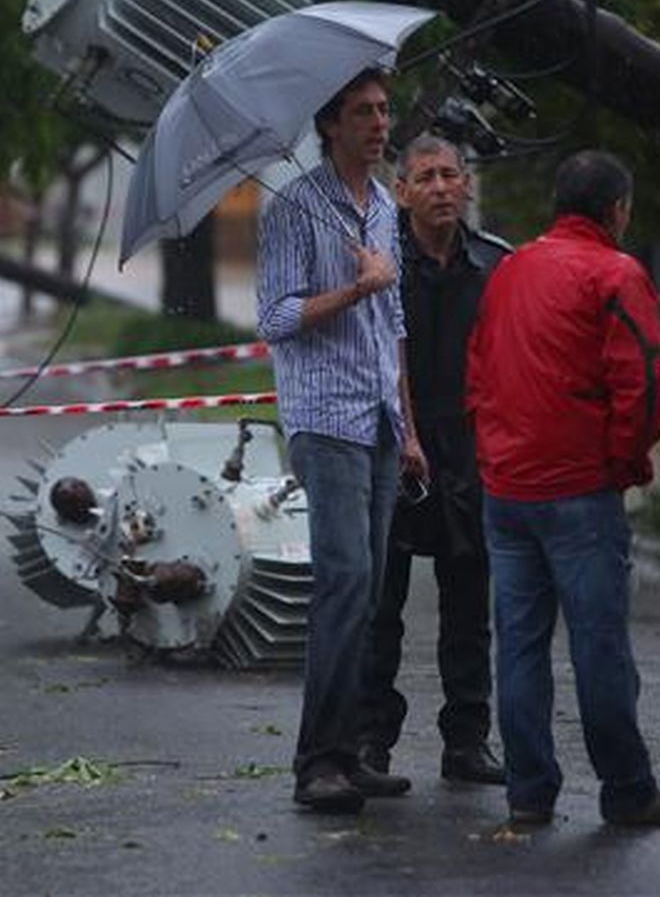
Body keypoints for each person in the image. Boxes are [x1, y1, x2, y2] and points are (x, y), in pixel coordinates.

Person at [467, 149, 660, 827]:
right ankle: (627, 788)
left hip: (507, 487)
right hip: (578, 487)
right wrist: (627, 464)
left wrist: (493, 454)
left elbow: (478, 369)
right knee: (599, 644)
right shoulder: (617, 273)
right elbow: (643, 385)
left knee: (519, 645)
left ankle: (529, 791)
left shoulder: (509, 269)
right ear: (617, 209)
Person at [256, 68, 413, 814]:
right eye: (363, 113)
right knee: (344, 582)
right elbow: (277, 317)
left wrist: (409, 428)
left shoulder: (385, 204)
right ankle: (317, 759)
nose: (379, 124)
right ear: (330, 126)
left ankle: (350, 752)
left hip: (380, 420)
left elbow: (397, 329)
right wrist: (358, 287)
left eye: (384, 110)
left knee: (371, 591)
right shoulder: (295, 207)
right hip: (325, 419)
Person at [356, 135, 508, 786]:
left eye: (451, 174)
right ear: (402, 191)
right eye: (426, 176)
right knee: (378, 607)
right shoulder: (379, 262)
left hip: (472, 453)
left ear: (467, 184)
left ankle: (467, 740)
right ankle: (369, 741)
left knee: (470, 604)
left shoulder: (496, 265)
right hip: (394, 444)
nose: (442, 186)